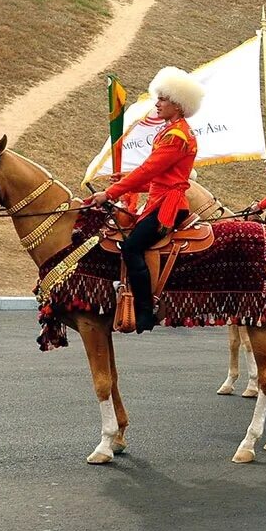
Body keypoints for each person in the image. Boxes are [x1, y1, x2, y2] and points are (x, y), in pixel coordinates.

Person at [90, 66, 203, 333]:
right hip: (161, 199)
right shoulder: (174, 130)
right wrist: (124, 179)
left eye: (163, 99)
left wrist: (110, 193)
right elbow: (154, 175)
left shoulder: (176, 136)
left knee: (131, 247)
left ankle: (145, 310)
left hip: (167, 206)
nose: (158, 103)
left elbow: (149, 171)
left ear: (178, 104)